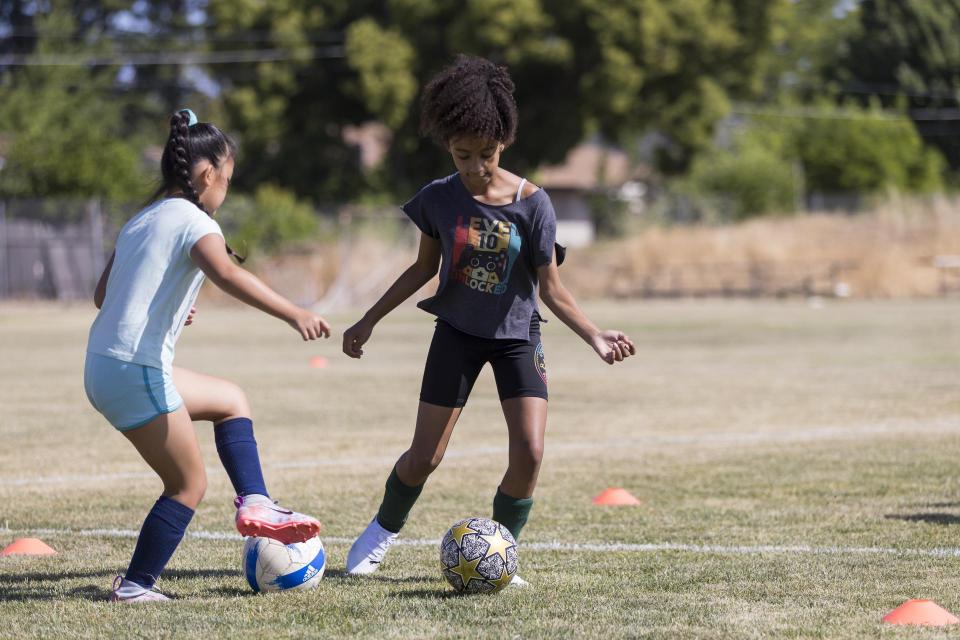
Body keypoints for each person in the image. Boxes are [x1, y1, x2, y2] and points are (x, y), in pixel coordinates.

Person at [341, 56, 635, 585]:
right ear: (447, 146)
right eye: (462, 155)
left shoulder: (534, 205)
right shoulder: (437, 198)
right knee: (426, 457)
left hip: (518, 338)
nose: (475, 167)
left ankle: (502, 553)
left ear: (504, 143)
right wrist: (368, 320)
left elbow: (552, 289)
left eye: (486, 154)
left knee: (530, 450)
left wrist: (594, 334)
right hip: (456, 333)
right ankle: (380, 534)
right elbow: (422, 269)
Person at [85, 109, 330, 603]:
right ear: (206, 174)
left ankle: (257, 502)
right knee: (187, 485)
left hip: (104, 364)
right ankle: (136, 586)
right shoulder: (196, 220)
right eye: (228, 180)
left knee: (230, 398)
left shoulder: (141, 219)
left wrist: (164, 305)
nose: (226, 191)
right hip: (135, 368)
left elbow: (102, 295)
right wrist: (292, 312)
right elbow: (228, 274)